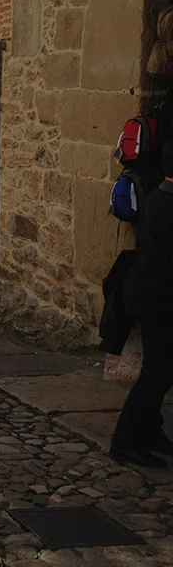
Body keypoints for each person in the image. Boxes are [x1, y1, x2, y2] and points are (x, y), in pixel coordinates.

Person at [111, 141, 173, 469]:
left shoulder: (156, 196)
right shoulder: (168, 205)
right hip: (157, 298)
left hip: (149, 292)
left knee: (161, 371)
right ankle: (124, 442)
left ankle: (149, 431)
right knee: (156, 374)